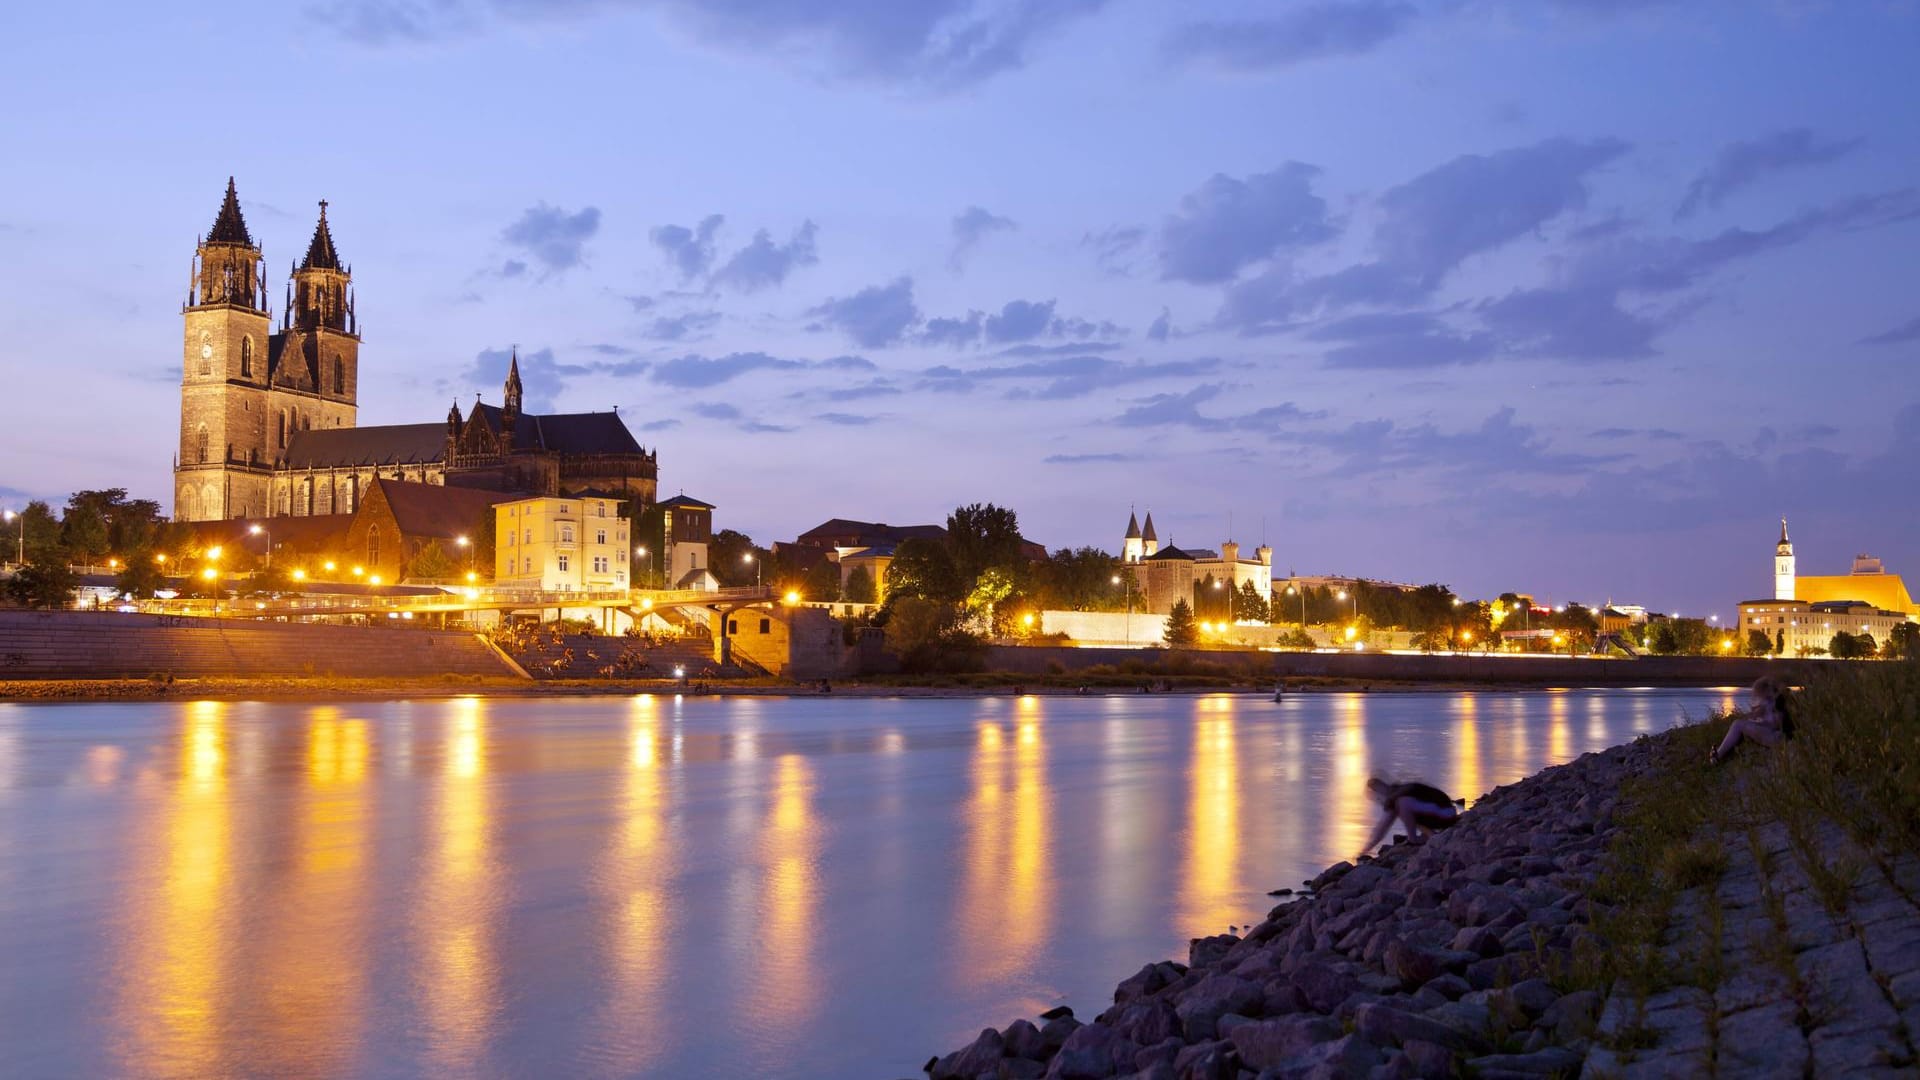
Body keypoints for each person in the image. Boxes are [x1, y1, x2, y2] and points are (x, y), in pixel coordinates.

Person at [1359, 777, 1459, 858]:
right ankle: (1430, 835)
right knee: (1408, 811)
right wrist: (1363, 852)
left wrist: (1392, 797)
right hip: (1444, 815)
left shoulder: (1400, 793)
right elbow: (1381, 829)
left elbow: (1412, 787)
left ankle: (1413, 840)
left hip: (1446, 814)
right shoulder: (1395, 798)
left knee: (1403, 803)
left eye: (1377, 796)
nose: (1379, 801)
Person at [1709, 675, 1793, 765]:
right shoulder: (1775, 701)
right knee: (1740, 724)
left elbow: (1776, 724)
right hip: (1780, 737)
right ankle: (1724, 753)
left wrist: (1759, 719)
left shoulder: (1777, 702)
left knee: (1737, 725)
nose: (1758, 696)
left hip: (1779, 738)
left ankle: (1718, 756)